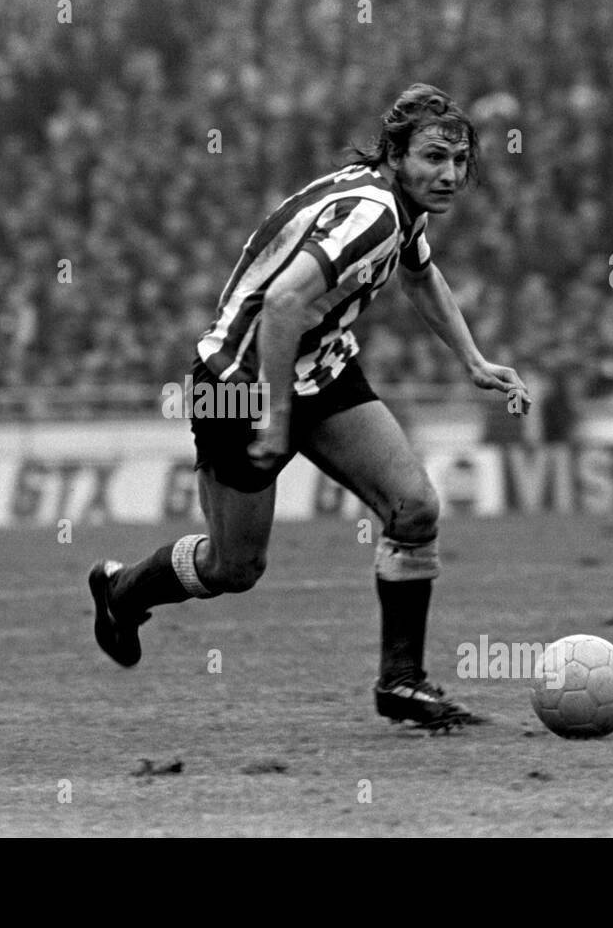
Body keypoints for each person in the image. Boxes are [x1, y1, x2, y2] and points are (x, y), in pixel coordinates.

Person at [89, 83, 529, 730]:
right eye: (435, 157)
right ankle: (122, 591)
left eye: (461, 161)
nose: (451, 174)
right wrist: (272, 413)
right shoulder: (373, 212)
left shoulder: (400, 210)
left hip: (318, 367)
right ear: (396, 154)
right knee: (234, 565)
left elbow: (418, 273)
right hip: (237, 381)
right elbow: (283, 305)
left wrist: (472, 358)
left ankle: (400, 683)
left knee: (415, 506)